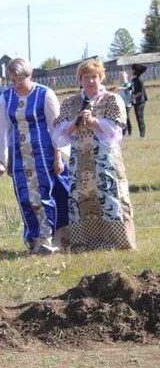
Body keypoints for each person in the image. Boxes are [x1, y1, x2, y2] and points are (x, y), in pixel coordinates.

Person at [52, 59, 136, 252]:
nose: (90, 81)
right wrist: (76, 123)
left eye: (94, 76)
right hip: (80, 161)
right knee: (83, 199)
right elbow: (59, 134)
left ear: (101, 77)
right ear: (80, 79)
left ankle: (118, 241)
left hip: (105, 160)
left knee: (109, 197)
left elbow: (116, 131)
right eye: (86, 77)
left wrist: (94, 121)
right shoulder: (70, 102)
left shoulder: (111, 99)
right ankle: (85, 242)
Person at [0, 57, 70, 254]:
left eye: (20, 79)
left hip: (43, 154)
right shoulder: (7, 97)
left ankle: (48, 238)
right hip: (19, 155)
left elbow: (56, 128)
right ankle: (33, 239)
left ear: (29, 75)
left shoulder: (44, 94)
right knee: (24, 197)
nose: (16, 84)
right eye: (12, 80)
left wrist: (58, 156)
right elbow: (1, 129)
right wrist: (3, 158)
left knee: (44, 194)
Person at [131, 63, 148, 138]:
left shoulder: (139, 80)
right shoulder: (134, 79)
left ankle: (142, 135)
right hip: (136, 101)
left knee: (140, 117)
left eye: (132, 69)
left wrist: (133, 98)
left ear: (135, 70)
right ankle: (141, 134)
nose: (130, 70)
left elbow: (141, 92)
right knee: (137, 117)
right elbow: (131, 88)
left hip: (141, 101)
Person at [116, 71, 133, 136]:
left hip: (127, 104)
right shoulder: (121, 85)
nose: (121, 78)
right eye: (120, 76)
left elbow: (130, 94)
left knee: (125, 118)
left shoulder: (127, 84)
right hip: (122, 104)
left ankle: (126, 132)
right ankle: (127, 132)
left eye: (122, 76)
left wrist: (129, 102)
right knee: (125, 118)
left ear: (126, 77)